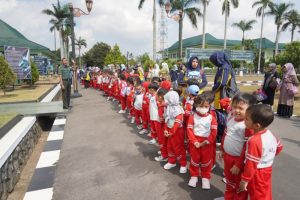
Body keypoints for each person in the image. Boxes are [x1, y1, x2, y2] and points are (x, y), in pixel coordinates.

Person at [239, 104, 283, 200]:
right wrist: (267, 157)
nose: (244, 120)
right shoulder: (270, 134)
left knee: (257, 195)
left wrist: (245, 180)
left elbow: (251, 163)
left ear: (257, 125)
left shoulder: (254, 140)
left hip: (257, 173)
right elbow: (279, 147)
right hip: (267, 169)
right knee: (264, 192)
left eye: (246, 119)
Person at [220, 93, 256, 200]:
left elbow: (247, 147)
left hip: (238, 160)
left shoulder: (247, 126)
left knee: (239, 185)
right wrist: (222, 150)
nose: (237, 110)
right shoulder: (231, 120)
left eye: (241, 108)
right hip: (228, 157)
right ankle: (229, 197)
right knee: (229, 180)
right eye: (235, 107)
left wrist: (239, 165)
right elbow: (225, 135)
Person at [187, 94, 217, 189]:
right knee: (194, 159)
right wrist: (194, 141)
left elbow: (214, 131)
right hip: (195, 141)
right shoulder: (192, 116)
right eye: (200, 106)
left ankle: (205, 177)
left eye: (206, 106)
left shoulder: (211, 117)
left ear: (209, 106)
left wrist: (207, 141)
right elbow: (189, 130)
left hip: (207, 143)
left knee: (206, 161)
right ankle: (194, 176)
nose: (203, 108)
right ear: (196, 106)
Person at [163, 91, 187, 174]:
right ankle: (171, 161)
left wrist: (171, 132)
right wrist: (166, 129)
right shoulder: (169, 107)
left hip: (177, 132)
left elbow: (178, 122)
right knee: (170, 147)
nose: (165, 101)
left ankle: (183, 164)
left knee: (179, 148)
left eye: (166, 99)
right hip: (170, 131)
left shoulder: (178, 109)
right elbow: (167, 119)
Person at [154, 88, 169, 162]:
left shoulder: (162, 107)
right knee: (165, 142)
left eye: (157, 96)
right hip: (165, 127)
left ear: (160, 97)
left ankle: (164, 156)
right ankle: (165, 152)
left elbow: (161, 119)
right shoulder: (167, 105)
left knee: (162, 141)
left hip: (161, 127)